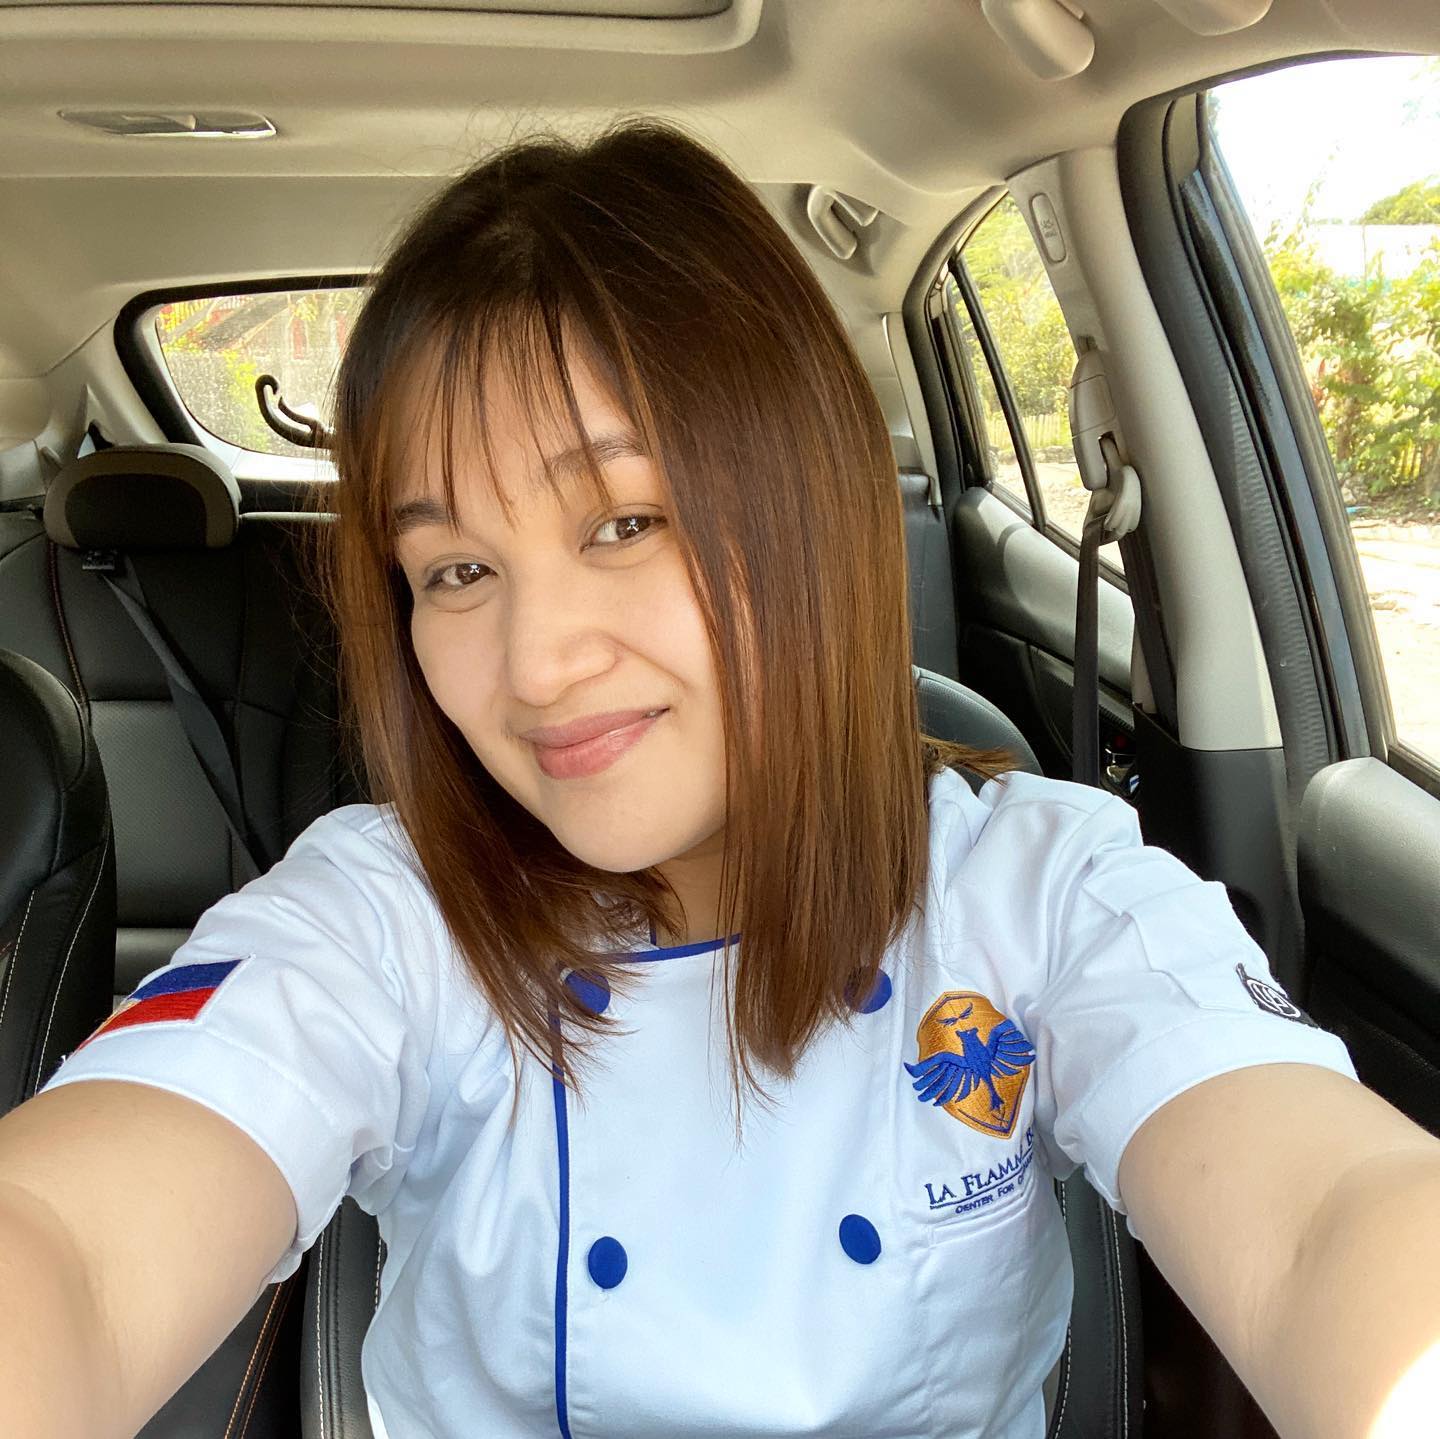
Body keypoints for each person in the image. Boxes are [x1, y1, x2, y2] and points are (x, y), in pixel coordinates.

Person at [2, 118, 1438, 1439]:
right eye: (455, 570)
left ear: (806, 507)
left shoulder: (1045, 891)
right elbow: (69, 1249)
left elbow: (1330, 1219)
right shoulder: (382, 917)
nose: (537, 664)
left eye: (625, 522)